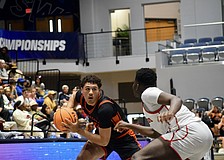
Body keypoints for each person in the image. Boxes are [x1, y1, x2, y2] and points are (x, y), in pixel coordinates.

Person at [114, 68, 213, 160]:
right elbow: (155, 132)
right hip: (203, 135)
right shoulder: (152, 102)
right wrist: (129, 126)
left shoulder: (147, 93)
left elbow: (176, 99)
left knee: (138, 157)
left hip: (189, 132)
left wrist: (170, 113)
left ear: (136, 85)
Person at [62, 75, 141, 160]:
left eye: (94, 89)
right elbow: (73, 96)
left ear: (99, 91)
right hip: (102, 133)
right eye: (87, 89)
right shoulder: (81, 96)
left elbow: (104, 141)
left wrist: (78, 130)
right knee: (82, 158)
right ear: (82, 90)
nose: (91, 92)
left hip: (122, 138)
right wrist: (68, 110)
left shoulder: (105, 108)